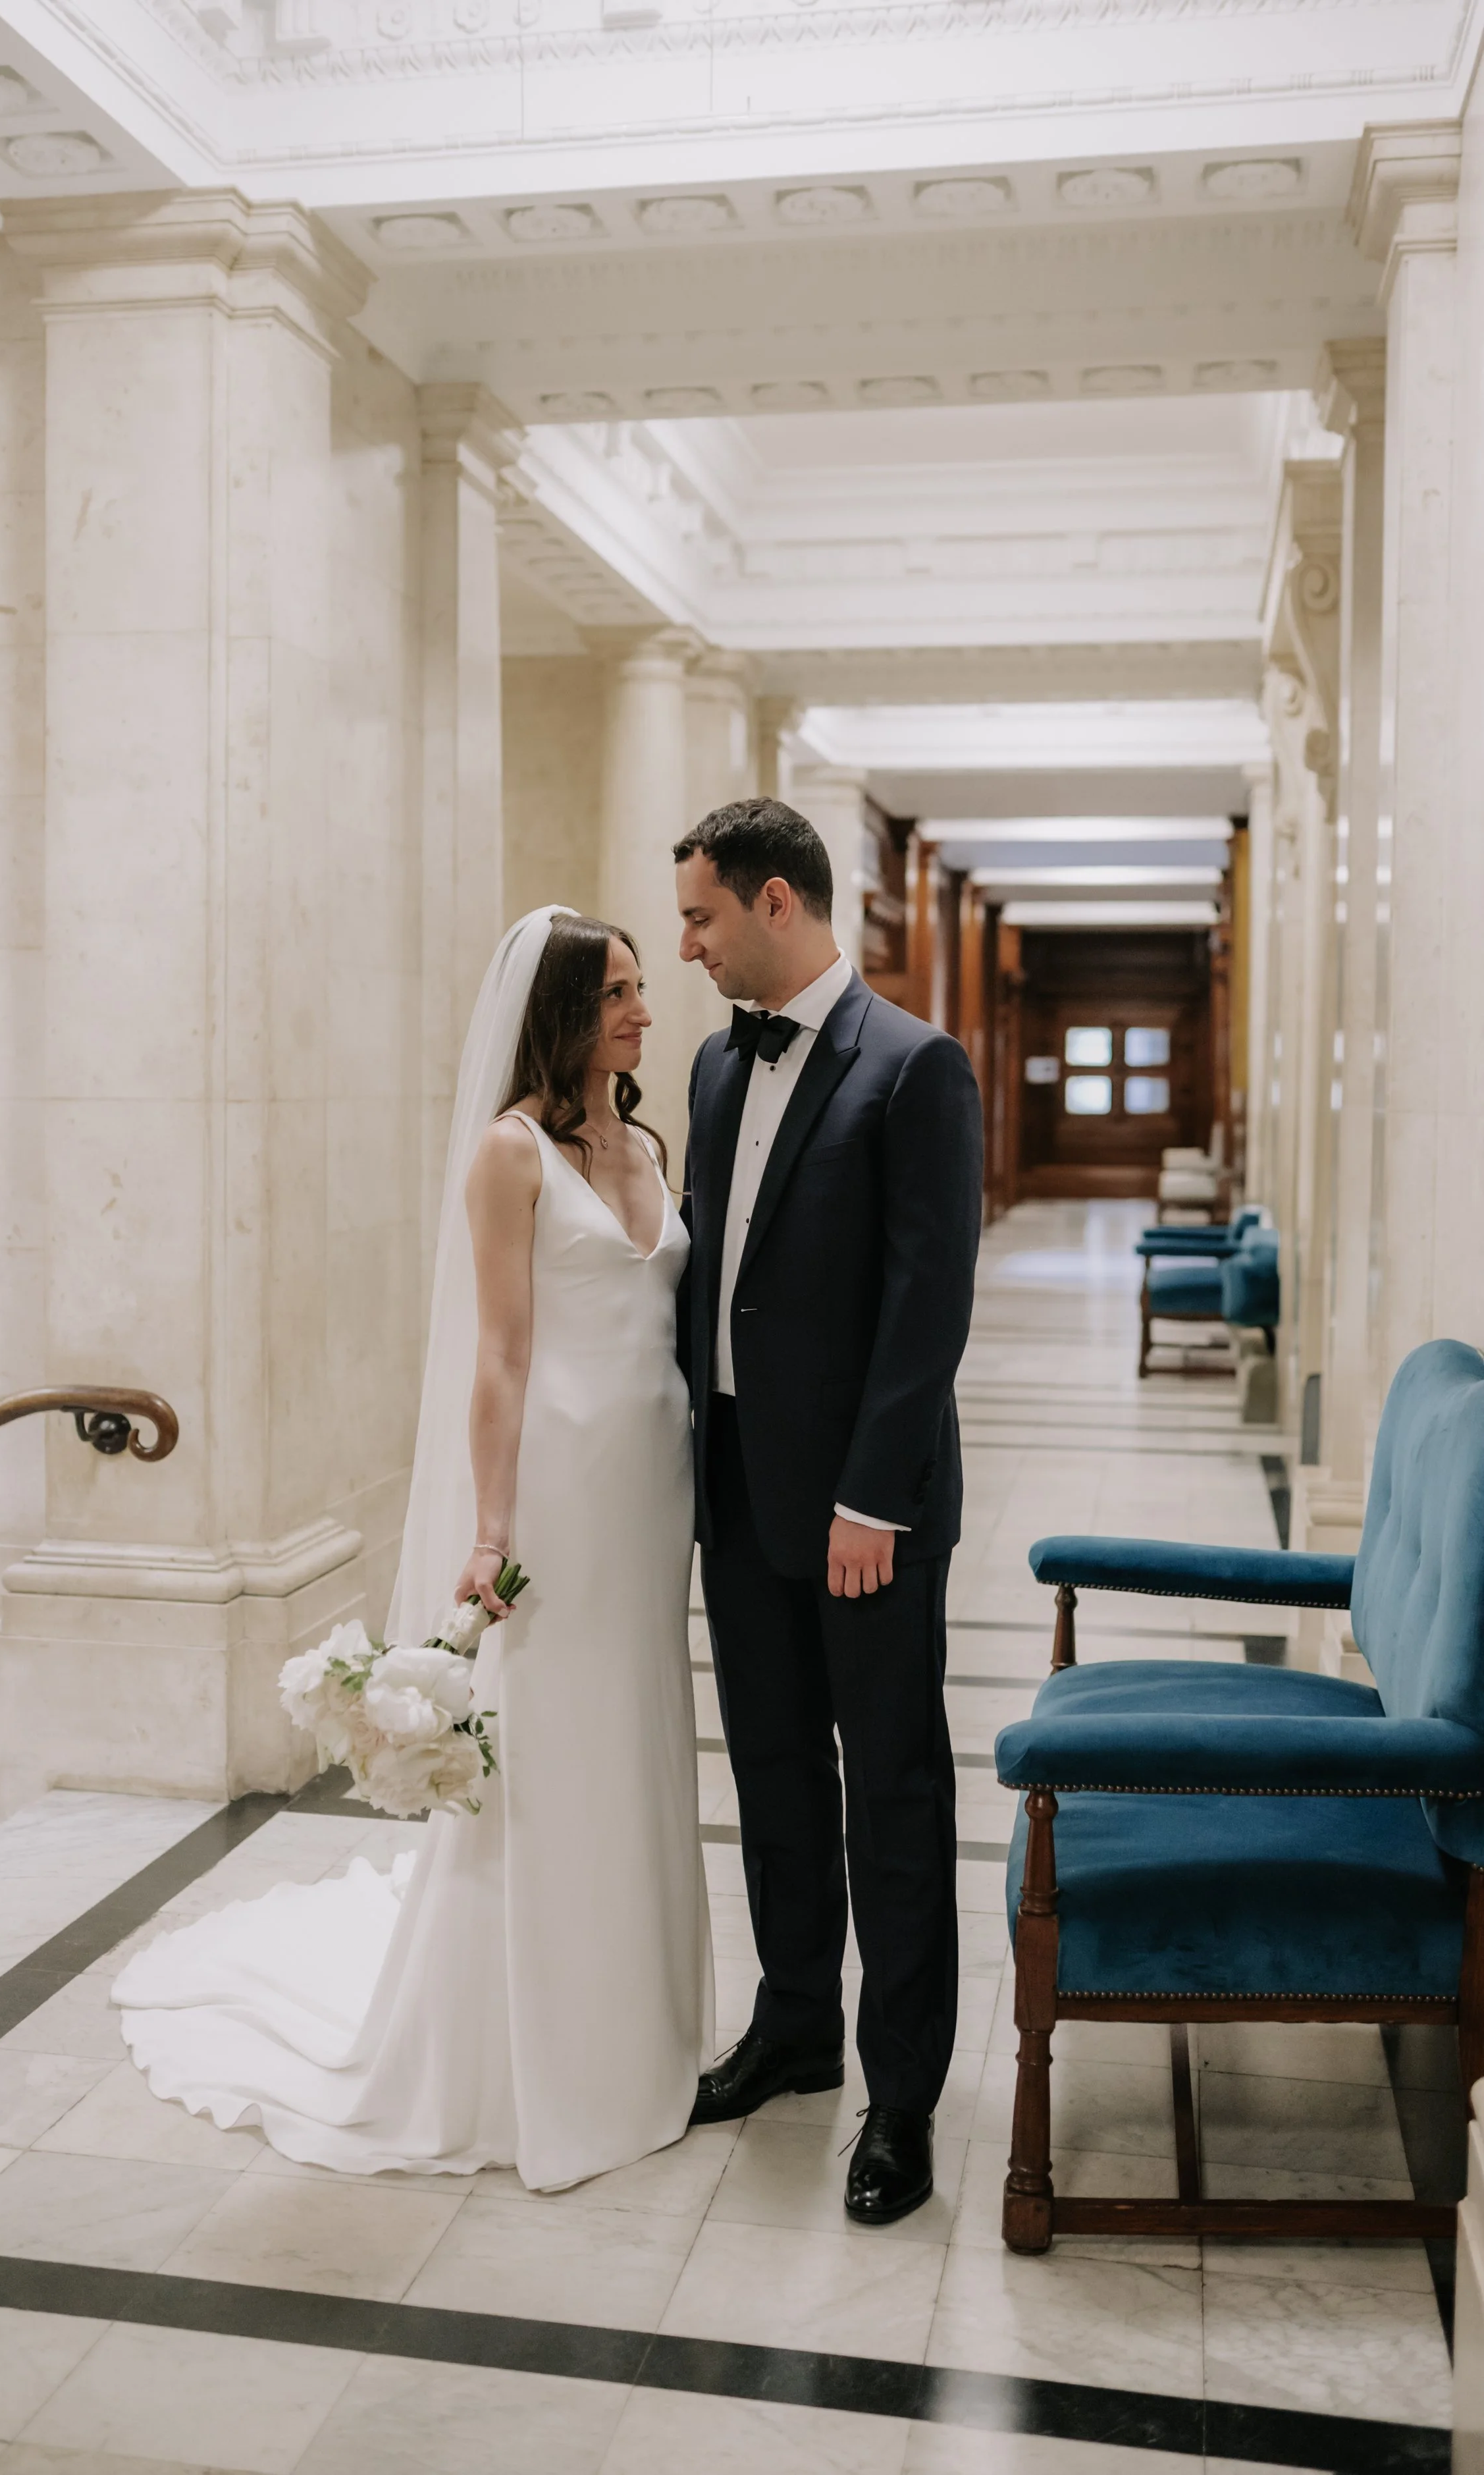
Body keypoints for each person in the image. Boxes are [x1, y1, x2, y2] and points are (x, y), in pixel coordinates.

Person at [113, 909, 712, 2190]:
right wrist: (491, 1528)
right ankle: (530, 2049)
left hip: (653, 1492)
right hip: (559, 1487)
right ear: (563, 1011)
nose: (642, 1011)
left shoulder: (650, 1143)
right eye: (616, 992)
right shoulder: (510, 1152)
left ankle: (641, 2021)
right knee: (551, 1740)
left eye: (639, 989)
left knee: (636, 1728)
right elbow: (498, 1354)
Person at [675, 797, 983, 2225]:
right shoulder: (711, 1065)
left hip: (867, 1511)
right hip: (738, 1489)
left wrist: (872, 1497)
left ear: (776, 902)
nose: (688, 945)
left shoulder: (915, 1067)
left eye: (701, 916)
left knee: (893, 1792)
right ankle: (795, 2022)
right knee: (775, 1773)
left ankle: (900, 2096)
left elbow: (928, 1308)